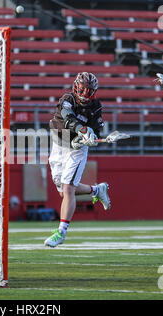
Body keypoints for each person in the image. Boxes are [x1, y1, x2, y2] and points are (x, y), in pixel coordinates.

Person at [45, 72, 111, 248]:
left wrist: (92, 138)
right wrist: (83, 130)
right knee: (63, 190)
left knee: (68, 189)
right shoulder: (68, 98)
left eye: (89, 91)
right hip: (58, 144)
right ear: (76, 87)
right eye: (82, 89)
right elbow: (67, 118)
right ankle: (97, 190)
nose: (84, 94)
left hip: (77, 149)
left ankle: (61, 232)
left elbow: (97, 131)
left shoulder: (96, 106)